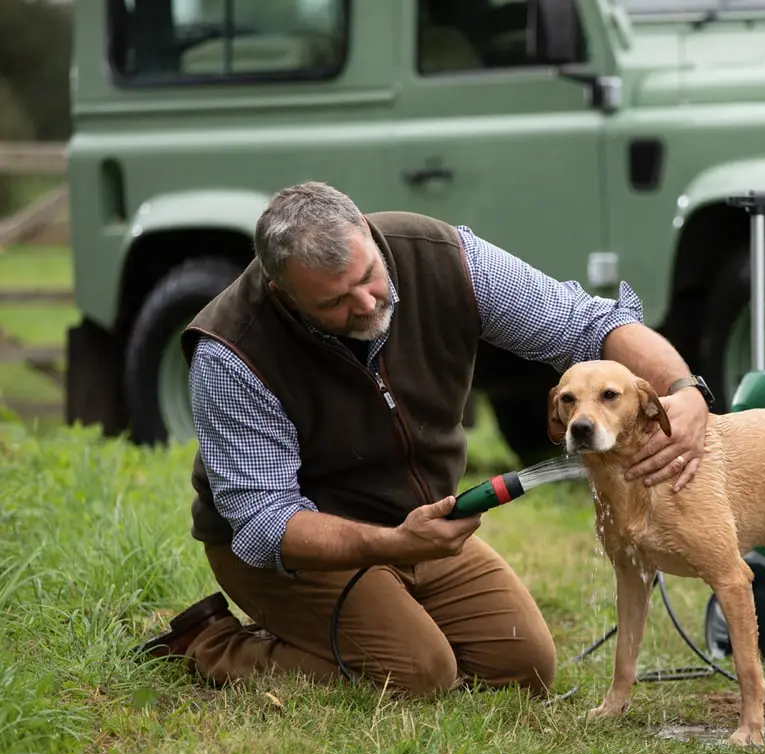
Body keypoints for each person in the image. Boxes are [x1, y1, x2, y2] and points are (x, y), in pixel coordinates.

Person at [135, 181, 714, 698]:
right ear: (284, 293)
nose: (365, 305)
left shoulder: (443, 258)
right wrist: (388, 545)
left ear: (365, 230)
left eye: (367, 279)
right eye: (334, 302)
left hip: (417, 528)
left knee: (524, 666)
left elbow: (589, 324)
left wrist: (684, 390)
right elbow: (265, 523)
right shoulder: (233, 350)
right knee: (419, 674)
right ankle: (211, 643)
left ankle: (371, 627)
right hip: (302, 552)